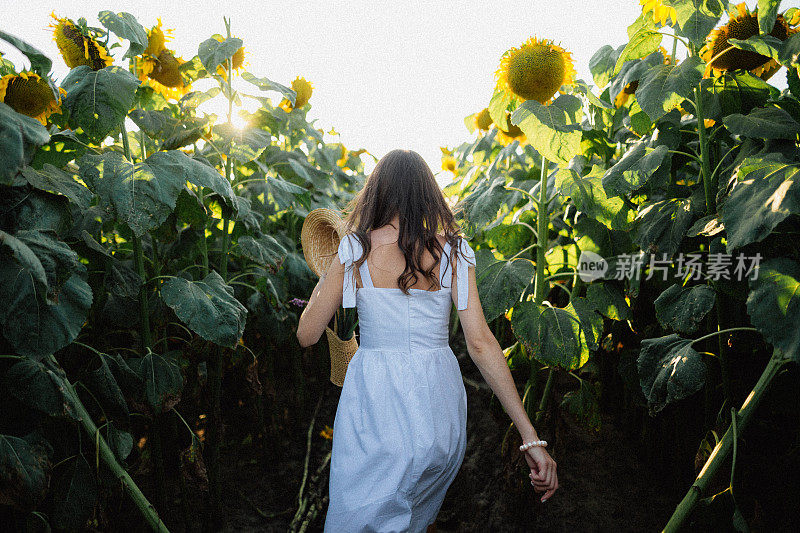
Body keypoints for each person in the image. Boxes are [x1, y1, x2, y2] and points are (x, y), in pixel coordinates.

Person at [296, 149, 558, 532]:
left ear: (376, 194)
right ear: (429, 194)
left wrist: (336, 267)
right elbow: (481, 343)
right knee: (413, 516)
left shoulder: (355, 249)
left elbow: (307, 334)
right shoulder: (454, 251)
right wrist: (530, 437)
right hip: (437, 402)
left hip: (376, 403)